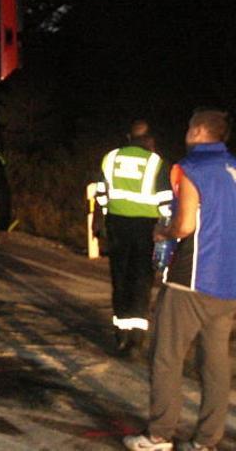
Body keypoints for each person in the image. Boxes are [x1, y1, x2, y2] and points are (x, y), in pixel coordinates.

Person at [123, 108, 236, 451]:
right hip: (229, 281)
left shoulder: (191, 169)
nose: (186, 132)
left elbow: (184, 225)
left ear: (200, 131)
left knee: (167, 357)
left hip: (192, 277)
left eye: (190, 127)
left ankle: (159, 435)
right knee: (215, 362)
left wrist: (163, 232)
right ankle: (206, 441)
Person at [95, 120, 172, 356]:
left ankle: (121, 333)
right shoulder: (155, 162)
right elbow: (166, 200)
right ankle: (136, 340)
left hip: (117, 225)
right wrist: (167, 229)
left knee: (120, 278)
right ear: (149, 139)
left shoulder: (111, 158)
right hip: (145, 228)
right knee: (141, 280)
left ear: (129, 137)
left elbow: (101, 194)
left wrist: (105, 220)